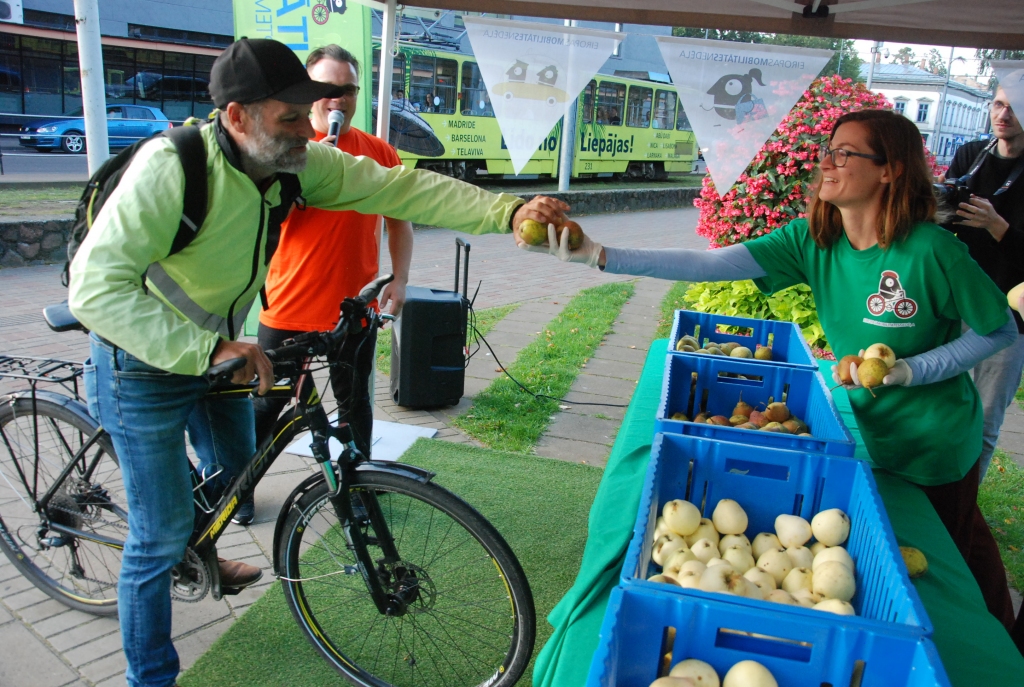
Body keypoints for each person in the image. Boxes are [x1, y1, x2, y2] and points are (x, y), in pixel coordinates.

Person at [68, 37, 568, 687]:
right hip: (139, 363)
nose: (310, 129)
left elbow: (396, 188)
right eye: (291, 118)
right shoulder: (172, 170)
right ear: (237, 117)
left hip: (214, 351)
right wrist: (207, 348)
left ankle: (202, 546)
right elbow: (92, 289)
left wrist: (509, 210)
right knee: (157, 538)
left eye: (309, 113)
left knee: (232, 471)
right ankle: (151, 673)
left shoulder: (292, 164)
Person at [518, 109, 1020, 637]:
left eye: (844, 153)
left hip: (937, 444)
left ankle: (1002, 647)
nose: (826, 161)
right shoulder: (813, 239)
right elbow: (711, 265)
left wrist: (912, 370)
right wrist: (599, 255)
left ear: (891, 170)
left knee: (950, 566)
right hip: (875, 432)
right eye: (828, 148)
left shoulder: (933, 250)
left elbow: (998, 330)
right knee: (914, 550)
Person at [242, 44, 410, 525]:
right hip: (288, 309)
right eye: (326, 90)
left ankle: (356, 487)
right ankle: (241, 485)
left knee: (355, 406)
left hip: (352, 312)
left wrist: (400, 277)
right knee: (265, 407)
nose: (337, 100)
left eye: (347, 90)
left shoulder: (378, 153)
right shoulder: (282, 149)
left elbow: (401, 220)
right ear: (306, 94)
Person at [941, 86, 1024, 482]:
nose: (1002, 114)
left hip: (1009, 318)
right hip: (956, 302)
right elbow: (943, 214)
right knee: (939, 403)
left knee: (986, 420)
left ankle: (965, 504)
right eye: (997, 104)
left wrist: (998, 226)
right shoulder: (971, 155)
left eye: (1013, 107)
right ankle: (934, 486)